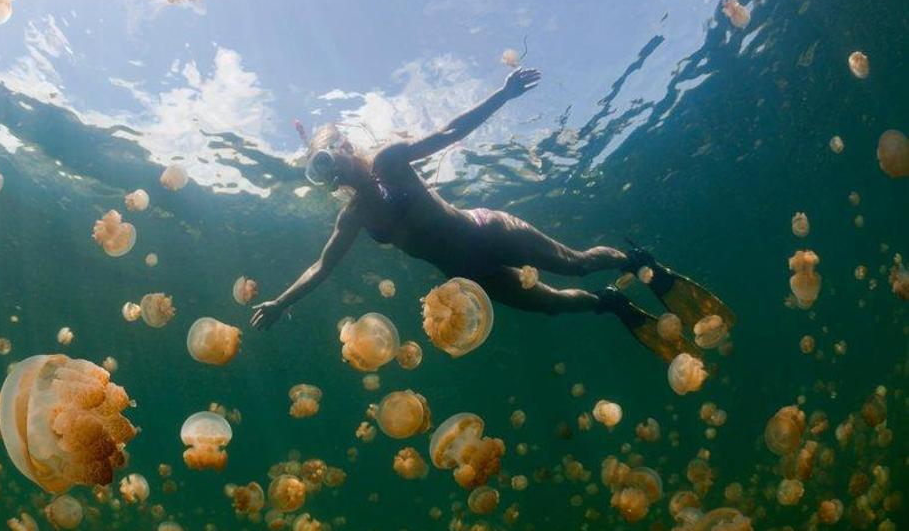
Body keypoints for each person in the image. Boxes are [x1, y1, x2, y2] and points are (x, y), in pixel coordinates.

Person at [251, 69, 729, 360]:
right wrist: (280, 301)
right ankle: (612, 302)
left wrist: (503, 95)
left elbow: (450, 130)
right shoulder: (353, 217)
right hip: (467, 276)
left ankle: (636, 262)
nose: (328, 173)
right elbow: (322, 265)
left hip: (489, 231)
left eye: (326, 160)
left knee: (576, 262)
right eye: (318, 171)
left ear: (343, 146)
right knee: (549, 303)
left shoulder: (390, 161)